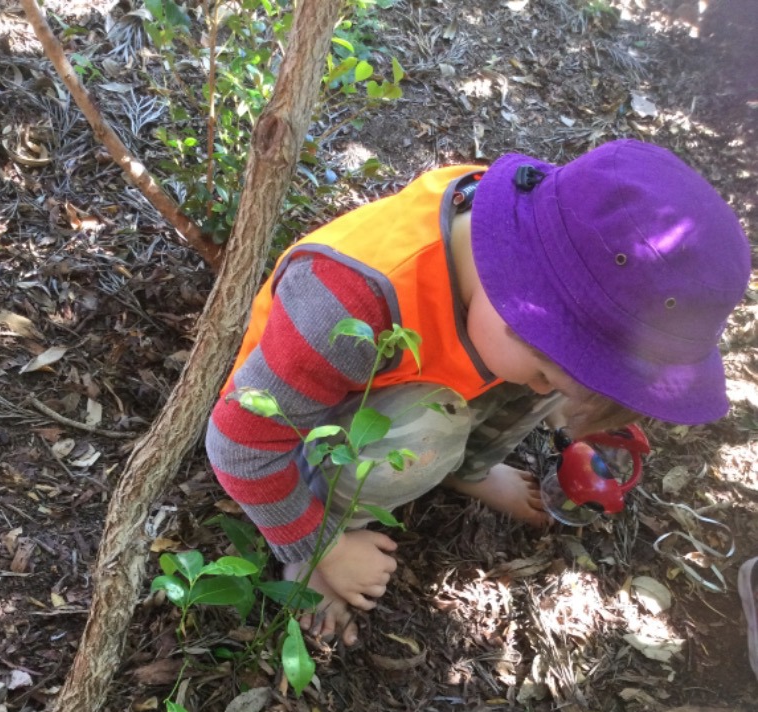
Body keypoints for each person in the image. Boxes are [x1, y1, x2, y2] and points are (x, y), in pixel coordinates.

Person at [207, 139, 751, 645]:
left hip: (439, 366)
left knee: (542, 380)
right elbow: (241, 445)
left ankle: (467, 468)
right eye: (544, 365)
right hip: (313, 423)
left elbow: (544, 366)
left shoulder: (529, 238)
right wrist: (322, 544)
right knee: (429, 430)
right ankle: (326, 531)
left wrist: (569, 390)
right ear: (509, 285)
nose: (544, 389)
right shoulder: (346, 305)